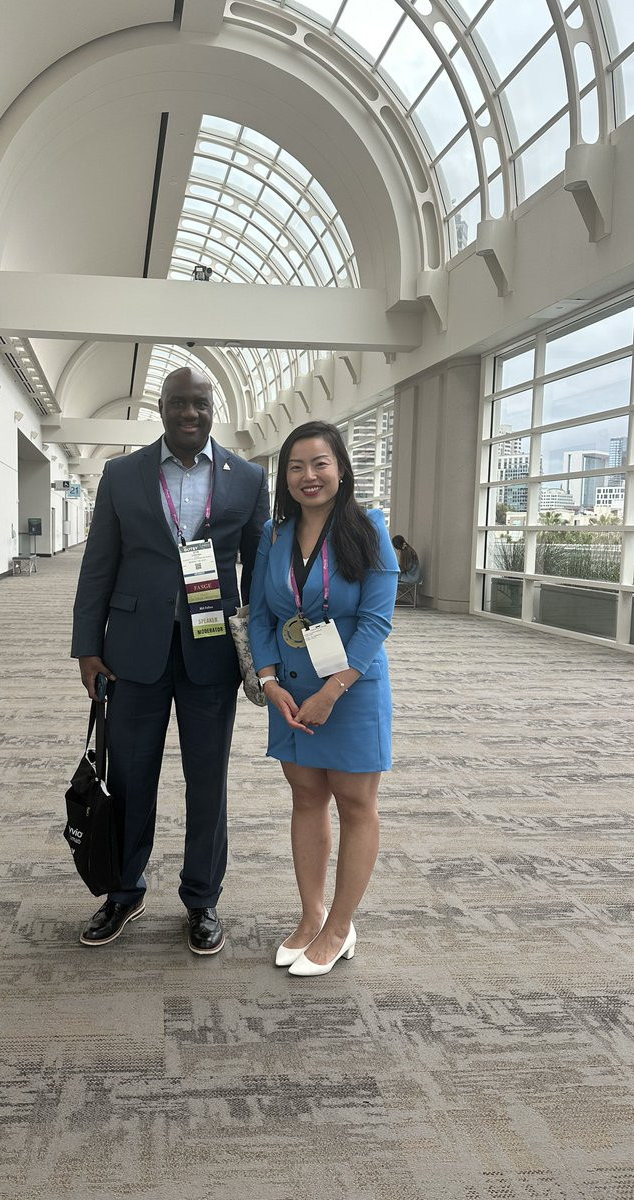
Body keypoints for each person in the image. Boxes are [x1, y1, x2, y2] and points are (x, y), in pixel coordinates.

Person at [71, 365, 269, 954]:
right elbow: (99, 564)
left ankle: (202, 899)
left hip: (212, 652)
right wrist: (87, 647)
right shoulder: (122, 474)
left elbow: (258, 573)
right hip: (132, 653)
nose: (190, 413)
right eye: (179, 403)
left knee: (208, 781)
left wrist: (262, 652)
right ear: (160, 409)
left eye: (200, 404)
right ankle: (123, 891)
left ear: (213, 410)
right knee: (130, 778)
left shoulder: (247, 478)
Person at [248, 421, 398, 977]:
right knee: (307, 797)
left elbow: (377, 619)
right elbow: (260, 615)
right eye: (296, 467)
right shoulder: (274, 534)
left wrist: (334, 691)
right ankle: (311, 915)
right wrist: (269, 682)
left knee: (356, 804)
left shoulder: (368, 528)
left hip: (350, 687)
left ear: (341, 469)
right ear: (284, 476)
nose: (308, 476)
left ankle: (339, 927)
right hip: (291, 689)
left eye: (319, 464)